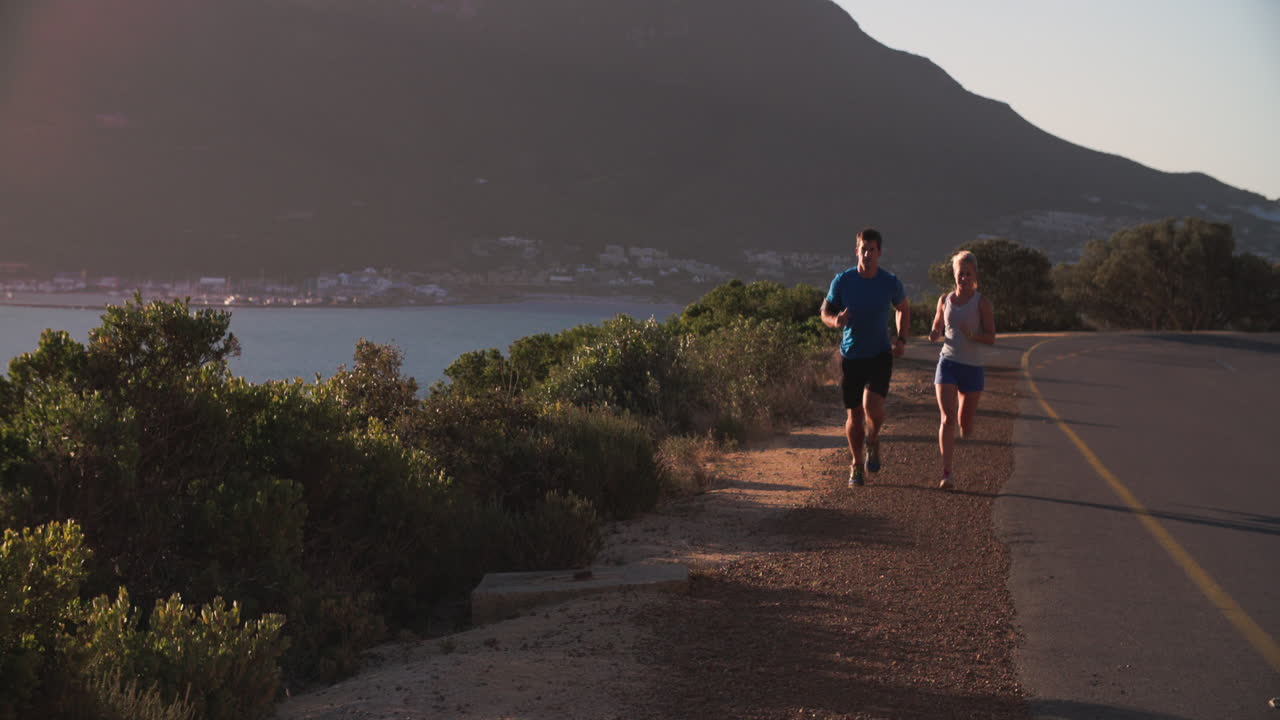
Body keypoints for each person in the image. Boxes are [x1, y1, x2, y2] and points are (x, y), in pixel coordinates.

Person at [821, 228, 910, 488]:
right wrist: (834, 320)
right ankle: (856, 464)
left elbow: (903, 308)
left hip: (880, 354)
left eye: (872, 249)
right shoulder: (843, 281)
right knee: (855, 414)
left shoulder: (890, 281)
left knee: (873, 408)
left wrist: (901, 339)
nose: (868, 254)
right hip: (851, 356)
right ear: (856, 250)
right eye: (864, 249)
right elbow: (825, 310)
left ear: (879, 253)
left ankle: (873, 439)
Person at [928, 250, 996, 490]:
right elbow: (938, 324)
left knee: (964, 424)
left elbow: (991, 338)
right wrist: (935, 333)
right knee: (947, 418)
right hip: (947, 363)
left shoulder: (982, 303)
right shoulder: (945, 300)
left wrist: (973, 335)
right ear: (954, 275)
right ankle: (947, 473)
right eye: (960, 274)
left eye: (968, 274)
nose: (964, 278)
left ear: (975, 275)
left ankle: (965, 426)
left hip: (973, 368)